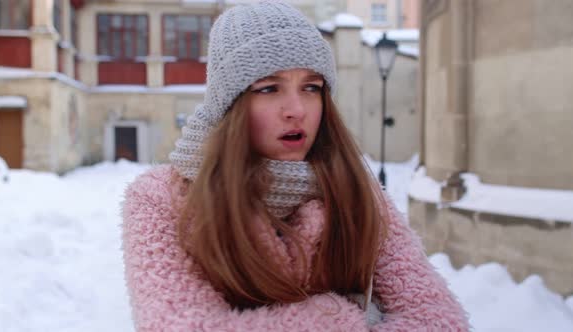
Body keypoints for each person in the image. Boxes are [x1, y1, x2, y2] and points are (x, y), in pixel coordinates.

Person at [121, 1, 469, 331]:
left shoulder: (355, 189)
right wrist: (336, 319)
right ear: (230, 105)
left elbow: (441, 319)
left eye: (311, 88)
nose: (297, 110)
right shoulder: (161, 199)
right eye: (269, 88)